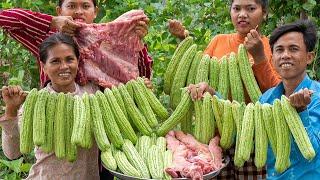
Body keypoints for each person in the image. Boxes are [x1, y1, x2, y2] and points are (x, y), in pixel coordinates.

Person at [170, 0, 280, 179]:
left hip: (254, 137)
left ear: (264, 12)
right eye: (237, 8)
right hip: (215, 137)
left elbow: (277, 93)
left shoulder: (271, 47)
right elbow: (197, 78)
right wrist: (183, 41)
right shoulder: (218, 42)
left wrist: (260, 57)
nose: (242, 14)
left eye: (250, 8)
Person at [1, 33, 101, 179]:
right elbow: (12, 153)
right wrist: (11, 111)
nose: (64, 66)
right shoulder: (35, 102)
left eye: (69, 59)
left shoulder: (92, 93)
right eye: (55, 61)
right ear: (44, 66)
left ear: (77, 61)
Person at [0, 0, 152, 88]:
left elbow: (142, 75)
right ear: (60, 11)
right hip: (56, 117)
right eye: (71, 6)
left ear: (95, 12)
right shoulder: (48, 39)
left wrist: (136, 41)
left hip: (103, 121)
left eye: (85, 6)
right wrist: (51, 22)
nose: (78, 12)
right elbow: (3, 18)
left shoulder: (111, 39)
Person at [259, 19, 320, 179]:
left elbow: (311, 152)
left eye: (293, 49)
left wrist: (301, 112)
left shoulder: (318, 98)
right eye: (279, 50)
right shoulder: (266, 99)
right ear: (272, 58)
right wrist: (212, 96)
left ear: (309, 57)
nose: (285, 55)